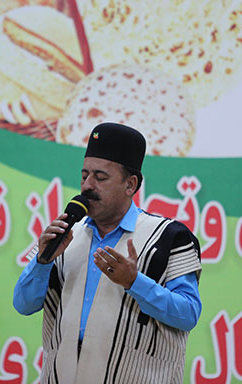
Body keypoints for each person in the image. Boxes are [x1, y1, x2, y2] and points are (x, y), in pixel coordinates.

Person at [13, 122, 202, 383]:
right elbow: (23, 304)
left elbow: (188, 314)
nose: (87, 186)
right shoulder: (65, 236)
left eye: (100, 178)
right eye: (84, 176)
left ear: (130, 185)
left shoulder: (170, 236)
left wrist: (134, 282)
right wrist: (42, 261)